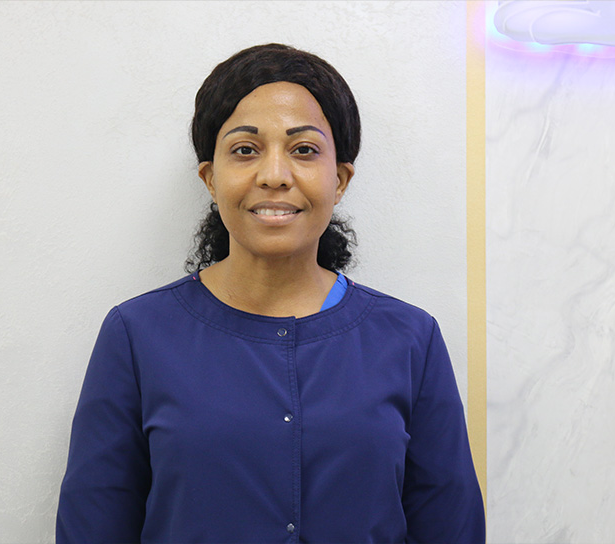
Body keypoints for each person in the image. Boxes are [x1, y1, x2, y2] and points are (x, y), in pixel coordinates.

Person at [57, 43, 485, 543]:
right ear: (211, 179)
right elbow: (93, 526)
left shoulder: (412, 339)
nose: (275, 175)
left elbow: (451, 527)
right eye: (245, 150)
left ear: (340, 178)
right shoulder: (136, 336)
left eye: (304, 150)